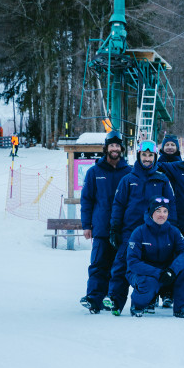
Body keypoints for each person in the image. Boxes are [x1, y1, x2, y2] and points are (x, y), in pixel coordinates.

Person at [105, 140, 178, 315]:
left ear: (155, 157)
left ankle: (150, 298)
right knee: (122, 263)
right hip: (130, 230)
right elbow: (118, 204)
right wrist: (115, 227)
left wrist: (172, 228)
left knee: (153, 264)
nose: (147, 158)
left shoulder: (162, 180)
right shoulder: (128, 179)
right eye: (144, 155)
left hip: (154, 232)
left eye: (150, 155)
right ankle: (115, 300)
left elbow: (171, 205)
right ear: (139, 156)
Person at [79, 131, 131, 313]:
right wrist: (86, 225)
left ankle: (113, 298)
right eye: (112, 146)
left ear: (121, 149)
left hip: (123, 228)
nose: (115, 149)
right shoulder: (95, 172)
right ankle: (94, 299)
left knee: (118, 266)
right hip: (101, 226)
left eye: (117, 146)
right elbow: (87, 199)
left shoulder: (129, 172)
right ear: (106, 148)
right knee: (99, 264)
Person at [126, 197, 184, 318]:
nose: (162, 215)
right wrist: (159, 273)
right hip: (144, 272)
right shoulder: (139, 232)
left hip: (167, 271)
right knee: (149, 283)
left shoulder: (173, 231)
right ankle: (137, 304)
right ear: (151, 213)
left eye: (165, 211)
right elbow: (133, 262)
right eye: (158, 211)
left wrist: (172, 270)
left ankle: (182, 307)